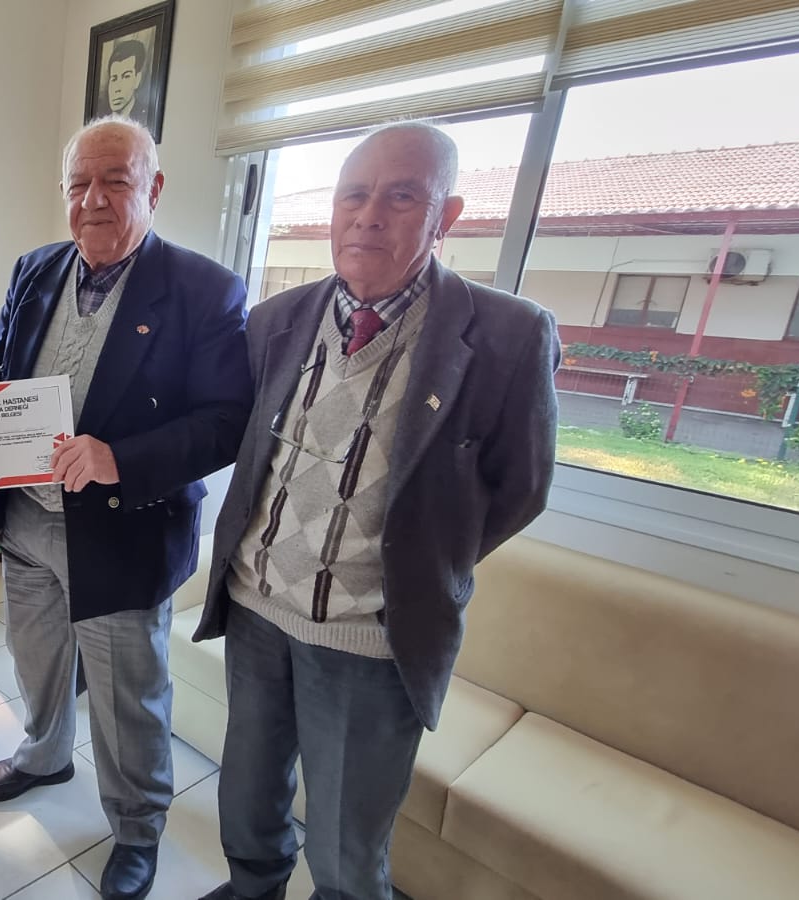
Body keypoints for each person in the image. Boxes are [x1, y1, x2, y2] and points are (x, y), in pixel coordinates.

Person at [194, 121, 560, 900]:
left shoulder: (509, 335)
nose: (368, 217)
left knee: (346, 849)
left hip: (370, 640)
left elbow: (521, 488)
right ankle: (253, 887)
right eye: (353, 195)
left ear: (445, 216)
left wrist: (417, 560)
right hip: (257, 611)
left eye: (401, 198)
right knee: (248, 798)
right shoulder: (275, 319)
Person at [0, 115, 252, 900]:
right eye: (78, 184)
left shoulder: (205, 290)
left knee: (127, 693)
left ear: (154, 188)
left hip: (122, 533)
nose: (93, 200)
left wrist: (118, 458)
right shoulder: (37, 268)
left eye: (115, 182)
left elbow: (225, 419)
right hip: (26, 521)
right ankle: (44, 755)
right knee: (34, 656)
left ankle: (137, 827)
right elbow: (3, 367)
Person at [106, 38, 154, 129]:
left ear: (137, 79)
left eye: (126, 77)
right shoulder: (102, 121)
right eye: (114, 79)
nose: (117, 88)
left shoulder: (143, 120)